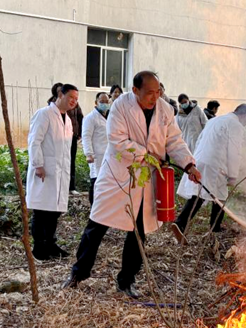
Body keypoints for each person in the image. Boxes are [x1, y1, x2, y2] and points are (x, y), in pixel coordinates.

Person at [65, 71, 202, 298]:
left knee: (139, 231)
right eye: (149, 92)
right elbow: (117, 140)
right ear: (135, 90)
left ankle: (127, 280)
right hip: (118, 174)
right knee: (96, 225)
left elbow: (174, 141)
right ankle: (78, 273)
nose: (154, 97)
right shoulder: (120, 106)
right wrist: (146, 155)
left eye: (158, 91)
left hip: (146, 180)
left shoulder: (165, 110)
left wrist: (189, 165)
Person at [176, 104, 246, 234]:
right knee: (218, 195)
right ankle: (211, 227)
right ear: (245, 115)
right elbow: (234, 151)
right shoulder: (236, 125)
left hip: (200, 158)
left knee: (201, 193)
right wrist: (233, 175)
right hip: (214, 163)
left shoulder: (215, 120)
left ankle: (183, 223)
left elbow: (200, 139)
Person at [27, 84, 79, 259]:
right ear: (60, 95)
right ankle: (39, 247)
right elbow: (34, 141)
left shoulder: (68, 120)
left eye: (76, 99)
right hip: (45, 170)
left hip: (60, 171)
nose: (74, 101)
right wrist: (38, 164)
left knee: (54, 211)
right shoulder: (44, 114)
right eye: (71, 97)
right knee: (41, 210)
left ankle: (50, 243)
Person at [82, 92, 111, 206]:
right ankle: (94, 205)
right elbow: (86, 136)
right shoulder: (90, 118)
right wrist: (89, 154)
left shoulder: (110, 116)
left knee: (106, 181)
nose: (104, 104)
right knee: (96, 180)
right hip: (96, 156)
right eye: (102, 102)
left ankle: (103, 206)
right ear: (96, 102)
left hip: (108, 154)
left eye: (106, 102)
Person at [68, 102, 84, 194]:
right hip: (60, 138)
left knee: (71, 161)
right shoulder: (54, 104)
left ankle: (71, 187)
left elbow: (80, 117)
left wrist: (79, 132)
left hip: (73, 135)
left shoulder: (75, 104)